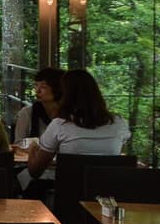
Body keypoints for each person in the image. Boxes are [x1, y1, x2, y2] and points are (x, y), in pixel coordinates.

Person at [23, 69, 130, 197]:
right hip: (108, 197)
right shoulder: (119, 123)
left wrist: (32, 148)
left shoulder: (60, 125)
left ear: (65, 96)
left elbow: (35, 171)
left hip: (69, 196)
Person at [13, 66, 64, 142]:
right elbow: (18, 143)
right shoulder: (27, 113)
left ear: (57, 89)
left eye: (44, 87)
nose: (37, 90)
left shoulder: (69, 113)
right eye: (36, 85)